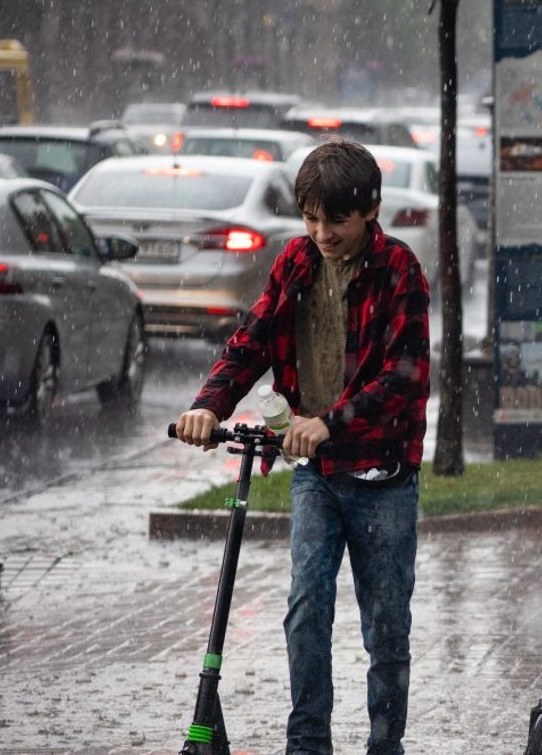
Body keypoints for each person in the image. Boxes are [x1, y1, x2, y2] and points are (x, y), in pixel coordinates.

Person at [173, 137, 431, 755]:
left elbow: (405, 375)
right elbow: (253, 339)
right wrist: (210, 403)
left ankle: (384, 745)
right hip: (316, 475)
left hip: (383, 477)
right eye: (310, 217)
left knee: (386, 627)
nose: (321, 231)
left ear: (370, 209)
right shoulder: (295, 262)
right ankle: (307, 743)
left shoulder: (399, 269)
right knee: (305, 608)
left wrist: (330, 421)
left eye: (335, 219)